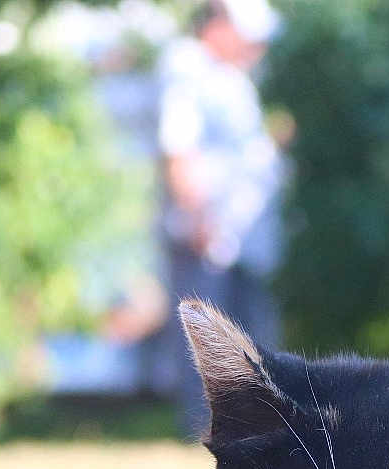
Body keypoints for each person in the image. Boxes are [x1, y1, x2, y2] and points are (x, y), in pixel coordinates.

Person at [156, 0, 284, 435]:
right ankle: (203, 433)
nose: (258, 45)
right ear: (219, 24)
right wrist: (197, 219)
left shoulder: (231, 75)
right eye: (249, 34)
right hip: (207, 235)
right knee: (207, 341)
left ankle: (248, 431)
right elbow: (179, 151)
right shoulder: (186, 69)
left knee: (248, 337)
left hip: (242, 240)